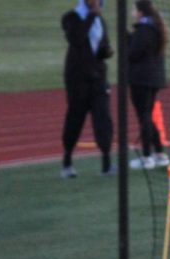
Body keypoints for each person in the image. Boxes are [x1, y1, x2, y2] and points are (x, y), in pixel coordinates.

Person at [61, 0, 114, 178]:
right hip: (77, 79)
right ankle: (67, 161)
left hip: (98, 78)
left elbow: (101, 47)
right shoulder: (71, 18)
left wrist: (106, 51)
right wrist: (92, 15)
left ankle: (106, 163)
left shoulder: (100, 21)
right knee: (75, 119)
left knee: (103, 118)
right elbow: (76, 38)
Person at [127, 0, 169, 170]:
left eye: (134, 10)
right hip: (152, 79)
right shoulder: (155, 28)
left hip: (142, 79)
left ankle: (147, 156)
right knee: (147, 116)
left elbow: (134, 54)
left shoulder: (144, 30)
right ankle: (159, 153)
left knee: (143, 116)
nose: (132, 12)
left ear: (140, 12)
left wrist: (127, 41)